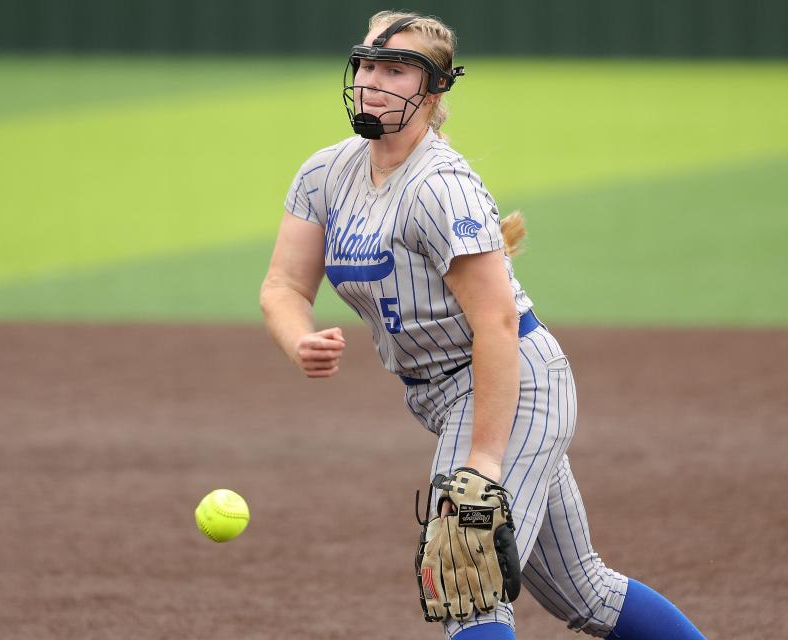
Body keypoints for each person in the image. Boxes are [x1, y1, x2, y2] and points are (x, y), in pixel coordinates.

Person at [260, 10, 705, 640]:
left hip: (509, 381)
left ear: (435, 88)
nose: (372, 82)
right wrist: (297, 336)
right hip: (446, 394)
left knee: (467, 583)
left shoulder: (441, 188)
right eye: (367, 65)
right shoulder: (326, 174)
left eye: (396, 70)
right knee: (586, 593)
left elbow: (496, 324)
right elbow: (283, 285)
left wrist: (484, 464)